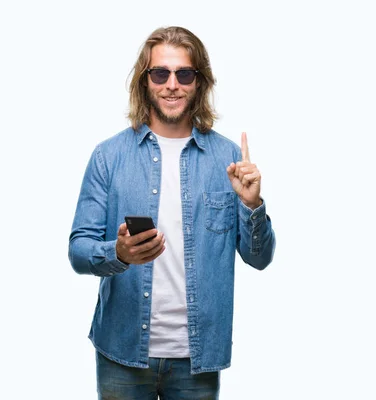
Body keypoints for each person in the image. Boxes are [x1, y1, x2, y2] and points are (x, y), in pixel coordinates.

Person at [68, 26, 276, 399]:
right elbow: (79, 250)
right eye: (160, 73)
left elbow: (259, 259)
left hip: (196, 355)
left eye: (184, 74)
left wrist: (251, 204)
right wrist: (118, 254)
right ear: (144, 81)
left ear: (199, 82)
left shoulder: (228, 159)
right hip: (122, 350)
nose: (172, 85)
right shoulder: (108, 157)